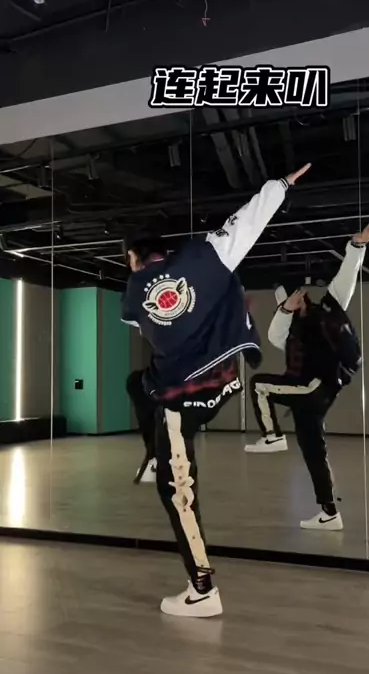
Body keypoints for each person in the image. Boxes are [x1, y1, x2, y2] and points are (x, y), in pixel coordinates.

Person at [121, 163, 311, 618]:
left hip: (181, 397)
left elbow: (142, 324)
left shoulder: (132, 290)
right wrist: (279, 186)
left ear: (132, 257)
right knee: (140, 385)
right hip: (223, 380)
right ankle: (155, 456)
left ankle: (202, 588)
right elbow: (246, 223)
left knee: (177, 489)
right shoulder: (202, 256)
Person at [245, 221, 369, 531]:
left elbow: (346, 278)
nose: (290, 305)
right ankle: (330, 513)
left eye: (292, 300)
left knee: (258, 385)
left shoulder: (327, 309)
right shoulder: (289, 329)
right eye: (284, 304)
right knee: (314, 454)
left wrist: (356, 246)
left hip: (314, 388)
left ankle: (272, 435)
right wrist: (284, 310)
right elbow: (274, 335)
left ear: (303, 296)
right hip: (308, 398)